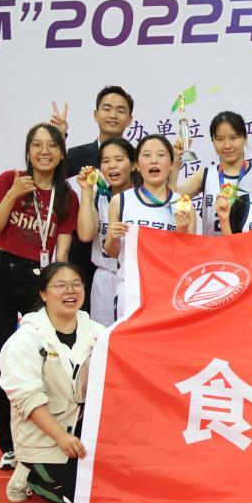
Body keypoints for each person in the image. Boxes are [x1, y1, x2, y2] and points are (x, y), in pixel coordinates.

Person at [0, 123, 79, 470]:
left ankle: (46, 439)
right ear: (28, 150)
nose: (44, 151)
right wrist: (12, 195)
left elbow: (62, 253)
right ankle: (9, 445)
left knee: (47, 361)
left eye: (51, 145)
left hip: (39, 279)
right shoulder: (10, 180)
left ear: (61, 153)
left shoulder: (67, 197)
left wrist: (59, 290)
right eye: (37, 145)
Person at [0, 262, 103, 503]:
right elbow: (27, 399)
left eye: (76, 284)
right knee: (83, 501)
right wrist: (61, 437)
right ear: (43, 293)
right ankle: (30, 475)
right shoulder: (24, 340)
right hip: (46, 438)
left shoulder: (97, 332)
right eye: (60, 286)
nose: (70, 291)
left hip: (83, 431)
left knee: (116, 484)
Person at [104, 135, 197, 318]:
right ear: (137, 165)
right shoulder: (120, 201)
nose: (154, 161)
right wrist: (113, 238)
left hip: (169, 291)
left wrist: (181, 231)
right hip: (131, 290)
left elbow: (189, 257)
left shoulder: (183, 204)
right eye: (146, 155)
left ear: (172, 164)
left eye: (161, 155)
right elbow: (112, 252)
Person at [63, 87, 135, 312]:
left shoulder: (138, 161)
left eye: (120, 110)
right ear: (95, 115)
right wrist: (58, 138)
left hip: (127, 266)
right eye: (107, 108)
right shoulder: (75, 156)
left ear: (130, 119)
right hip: (82, 257)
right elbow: (46, 181)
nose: (113, 115)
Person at [75, 138, 135, 326]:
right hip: (103, 277)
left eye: (119, 159)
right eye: (106, 161)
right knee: (101, 336)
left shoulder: (142, 197)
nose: (112, 165)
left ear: (134, 165)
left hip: (134, 279)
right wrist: (86, 191)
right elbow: (85, 235)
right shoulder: (97, 195)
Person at [173, 111, 252, 236]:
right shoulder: (206, 175)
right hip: (211, 248)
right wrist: (176, 162)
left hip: (248, 248)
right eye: (220, 139)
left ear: (245, 138)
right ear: (212, 141)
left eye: (233, 138)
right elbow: (170, 196)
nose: (227, 145)